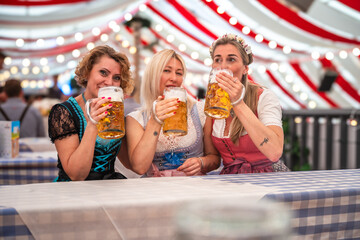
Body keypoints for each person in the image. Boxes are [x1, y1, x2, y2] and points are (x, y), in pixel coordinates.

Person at [124, 49, 220, 177]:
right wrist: (155, 120)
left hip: (194, 187)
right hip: (156, 191)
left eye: (179, 73)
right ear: (153, 75)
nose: (174, 78)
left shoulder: (200, 111)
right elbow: (139, 167)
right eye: (167, 71)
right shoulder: (136, 119)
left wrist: (201, 162)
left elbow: (215, 159)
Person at [48, 45, 134, 181]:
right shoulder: (63, 112)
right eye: (103, 73)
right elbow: (76, 175)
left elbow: (132, 164)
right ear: (87, 72)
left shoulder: (115, 113)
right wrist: (93, 125)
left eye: (116, 78)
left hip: (110, 187)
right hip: (75, 193)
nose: (109, 82)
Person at [206, 33, 289, 174]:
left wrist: (238, 103)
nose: (222, 67)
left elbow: (274, 152)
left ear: (245, 69)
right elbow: (212, 157)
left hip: (268, 178)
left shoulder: (264, 97)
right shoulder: (212, 103)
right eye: (217, 60)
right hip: (231, 181)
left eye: (231, 59)